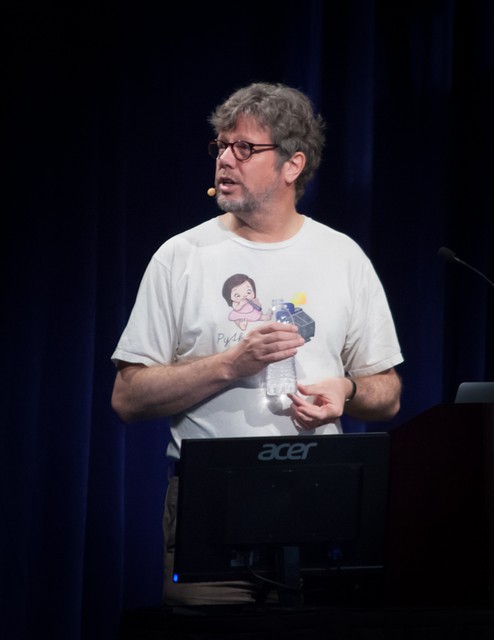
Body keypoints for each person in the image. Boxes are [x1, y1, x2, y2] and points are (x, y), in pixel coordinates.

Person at [111, 81, 404, 606]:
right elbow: (127, 398)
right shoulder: (181, 257)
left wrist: (348, 389)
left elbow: (388, 393)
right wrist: (230, 364)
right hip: (212, 498)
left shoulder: (343, 257)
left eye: (244, 148)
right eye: (221, 146)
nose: (225, 159)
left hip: (320, 493)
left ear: (293, 165)